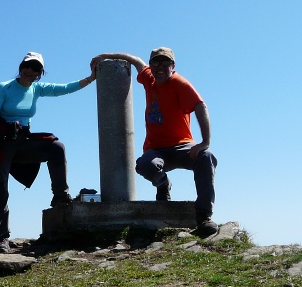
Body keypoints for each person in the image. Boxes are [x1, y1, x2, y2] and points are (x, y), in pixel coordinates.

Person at [90, 47, 218, 237]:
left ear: (172, 66)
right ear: (151, 66)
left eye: (165, 63)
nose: (160, 67)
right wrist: (107, 56)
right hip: (157, 149)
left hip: (182, 146)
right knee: (144, 165)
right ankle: (163, 185)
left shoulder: (180, 83)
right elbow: (133, 59)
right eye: (155, 63)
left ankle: (204, 216)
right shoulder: (149, 78)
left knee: (206, 157)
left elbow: (200, 106)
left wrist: (204, 142)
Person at [0, 52, 96, 252]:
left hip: (23, 140)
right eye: (27, 66)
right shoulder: (4, 88)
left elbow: (65, 89)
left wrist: (91, 78)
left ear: (40, 73)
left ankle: (60, 196)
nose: (30, 71)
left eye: (36, 69)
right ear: (21, 66)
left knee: (56, 148)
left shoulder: (37, 89)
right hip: (2, 143)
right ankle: (1, 238)